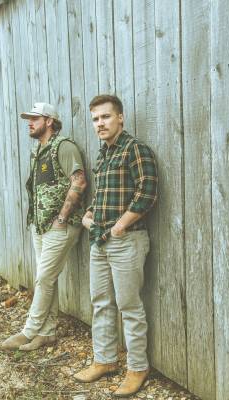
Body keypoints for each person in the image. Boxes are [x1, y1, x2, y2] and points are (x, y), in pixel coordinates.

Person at [73, 94, 158, 397]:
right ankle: (105, 361)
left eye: (106, 117)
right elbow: (103, 195)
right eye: (96, 119)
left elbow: (146, 193)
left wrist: (121, 225)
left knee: (129, 306)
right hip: (100, 241)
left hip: (127, 240)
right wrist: (88, 215)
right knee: (101, 303)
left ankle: (137, 368)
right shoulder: (104, 154)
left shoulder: (135, 150)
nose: (100, 123)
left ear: (120, 117)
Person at [0, 102, 87, 351]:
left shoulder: (65, 147)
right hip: (40, 225)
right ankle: (47, 333)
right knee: (47, 281)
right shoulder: (38, 151)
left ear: (49, 121)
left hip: (61, 225)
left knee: (44, 278)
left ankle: (28, 331)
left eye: (34, 118)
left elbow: (79, 182)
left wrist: (62, 218)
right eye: (29, 118)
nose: (29, 122)